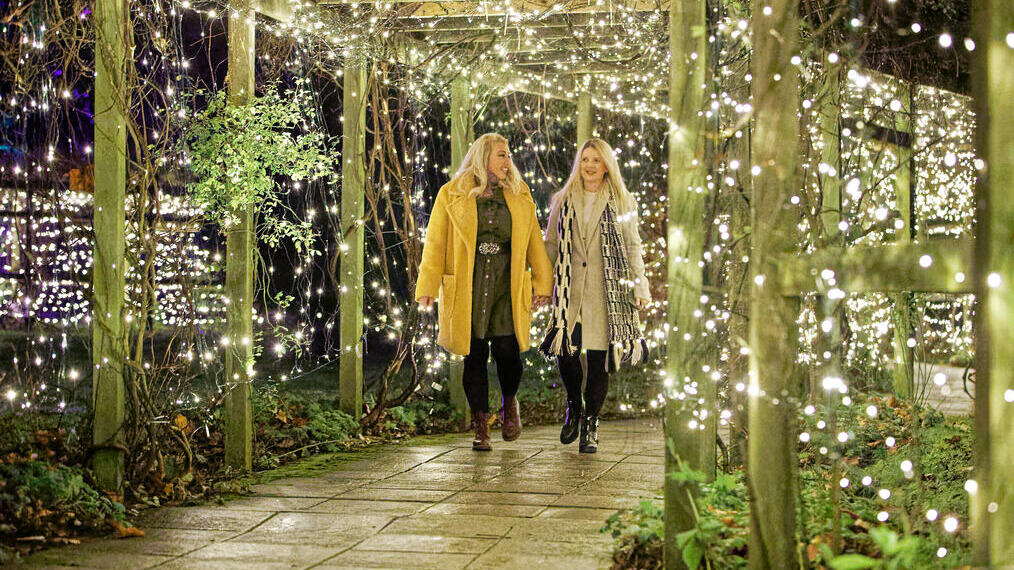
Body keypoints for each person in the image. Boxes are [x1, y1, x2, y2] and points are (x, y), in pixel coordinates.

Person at [416, 133, 552, 451]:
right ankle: (480, 426)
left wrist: (543, 285)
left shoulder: (519, 193)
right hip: (468, 282)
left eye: (508, 155)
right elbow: (434, 243)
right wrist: (428, 287)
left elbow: (534, 240)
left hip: (507, 280)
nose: (508, 161)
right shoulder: (452, 194)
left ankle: (510, 404)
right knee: (473, 354)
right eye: (502, 155)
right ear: (483, 158)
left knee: (508, 350)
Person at [541, 138, 650, 453]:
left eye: (596, 160)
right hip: (569, 286)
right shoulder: (563, 199)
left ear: (606, 166)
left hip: (607, 288)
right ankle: (574, 405)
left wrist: (639, 284)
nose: (589, 166)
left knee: (600, 359)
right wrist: (541, 285)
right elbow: (550, 242)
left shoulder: (623, 201)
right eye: (585, 159)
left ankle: (591, 423)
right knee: (567, 351)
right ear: (579, 163)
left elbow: (632, 245)